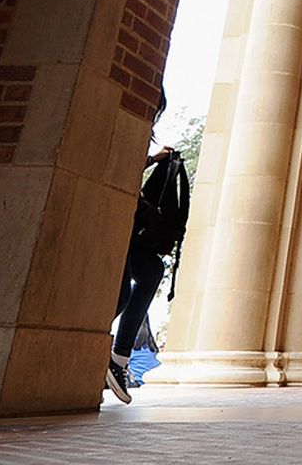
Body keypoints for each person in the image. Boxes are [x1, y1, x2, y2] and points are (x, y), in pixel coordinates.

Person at [105, 142, 188, 405]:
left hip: (131, 229)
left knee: (152, 271)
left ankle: (118, 358)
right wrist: (152, 159)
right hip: (116, 224)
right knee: (119, 296)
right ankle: (97, 350)